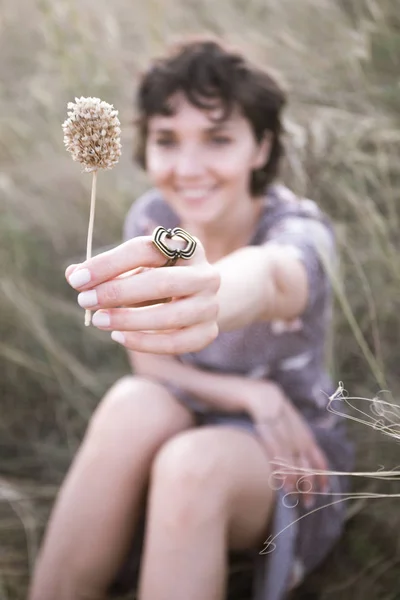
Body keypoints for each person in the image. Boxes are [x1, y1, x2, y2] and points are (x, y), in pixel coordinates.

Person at [29, 37, 354, 600]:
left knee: (190, 466)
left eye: (218, 139)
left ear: (261, 147)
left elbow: (273, 278)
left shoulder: (299, 232)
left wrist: (212, 289)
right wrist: (248, 394)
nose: (188, 169)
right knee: (132, 402)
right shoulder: (154, 218)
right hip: (198, 414)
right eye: (166, 141)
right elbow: (150, 366)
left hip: (288, 454)